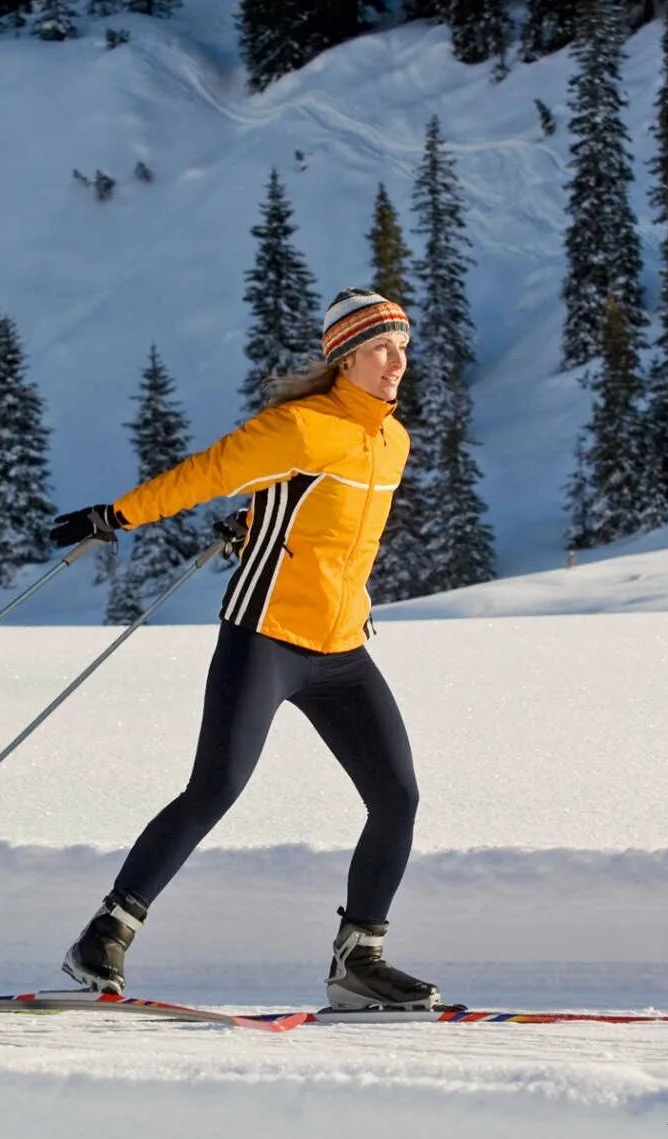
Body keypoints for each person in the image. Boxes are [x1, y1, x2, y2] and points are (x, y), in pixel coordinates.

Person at [49, 288, 436, 1010]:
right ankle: (105, 932)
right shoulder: (298, 425)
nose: (397, 363)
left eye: (403, 348)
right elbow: (211, 472)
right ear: (345, 356)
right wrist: (118, 515)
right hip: (265, 638)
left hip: (342, 649)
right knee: (216, 787)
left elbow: (315, 518)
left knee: (397, 796)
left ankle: (359, 962)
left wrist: (263, 520)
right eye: (383, 348)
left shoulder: (392, 441)